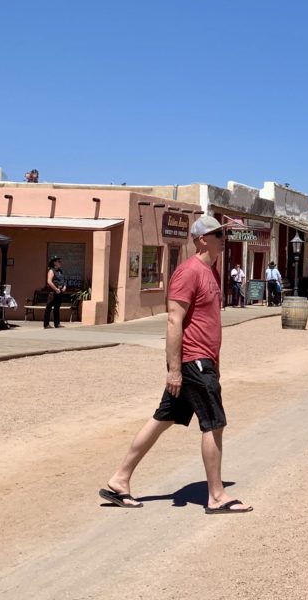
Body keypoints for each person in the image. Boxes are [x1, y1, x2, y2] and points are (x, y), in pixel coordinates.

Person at [100, 216, 252, 514]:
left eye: (223, 233)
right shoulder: (189, 272)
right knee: (214, 424)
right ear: (201, 239)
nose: (223, 238)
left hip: (202, 361)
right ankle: (217, 496)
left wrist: (214, 363)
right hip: (193, 361)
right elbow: (173, 320)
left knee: (162, 419)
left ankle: (120, 480)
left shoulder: (211, 271)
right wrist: (174, 368)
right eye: (217, 234)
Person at [44, 257, 67, 329]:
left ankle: (57, 324)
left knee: (57, 308)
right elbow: (49, 281)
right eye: (58, 261)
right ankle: (46, 324)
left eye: (60, 261)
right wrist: (56, 289)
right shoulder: (51, 271)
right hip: (53, 292)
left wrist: (64, 287)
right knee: (49, 308)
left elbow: (64, 280)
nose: (60, 262)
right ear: (54, 263)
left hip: (59, 292)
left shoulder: (60, 271)